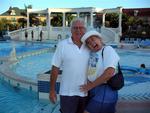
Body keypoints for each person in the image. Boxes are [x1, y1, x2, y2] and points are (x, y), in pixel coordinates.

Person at [49, 18, 90, 113]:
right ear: (71, 30)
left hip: (85, 92)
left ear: (85, 30)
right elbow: (55, 68)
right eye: (75, 28)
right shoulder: (62, 45)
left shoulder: (89, 45)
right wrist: (52, 90)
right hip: (67, 93)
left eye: (81, 28)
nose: (78, 30)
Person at [80, 30, 120, 113]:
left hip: (105, 90)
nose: (91, 42)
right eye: (88, 42)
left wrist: (90, 86)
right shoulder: (93, 54)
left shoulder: (108, 50)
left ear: (100, 39)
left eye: (93, 39)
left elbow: (109, 73)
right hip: (96, 91)